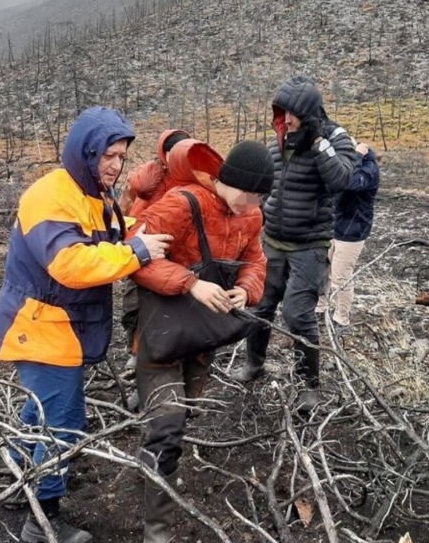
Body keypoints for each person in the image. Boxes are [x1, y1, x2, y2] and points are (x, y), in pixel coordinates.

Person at [0, 107, 172, 543]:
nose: (115, 165)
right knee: (65, 421)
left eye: (122, 156)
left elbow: (108, 232)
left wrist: (149, 230)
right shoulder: (49, 195)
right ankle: (42, 519)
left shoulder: (93, 191)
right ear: (85, 151)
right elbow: (68, 263)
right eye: (108, 155)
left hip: (58, 327)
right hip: (41, 329)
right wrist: (139, 253)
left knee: (41, 406)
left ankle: (16, 477)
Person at [129, 140, 274, 543]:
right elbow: (133, 256)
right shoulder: (182, 203)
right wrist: (190, 283)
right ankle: (156, 532)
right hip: (162, 333)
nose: (256, 202)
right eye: (254, 192)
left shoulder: (252, 217)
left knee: (182, 412)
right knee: (167, 426)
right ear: (233, 181)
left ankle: (152, 458)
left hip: (201, 337)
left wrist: (246, 289)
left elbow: (256, 262)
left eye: (262, 196)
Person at [231, 75, 357, 413]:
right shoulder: (279, 141)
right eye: (281, 112)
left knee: (297, 315)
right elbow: (265, 189)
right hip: (272, 239)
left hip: (309, 245)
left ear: (309, 114)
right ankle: (253, 364)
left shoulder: (335, 139)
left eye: (292, 113)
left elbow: (341, 180)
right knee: (260, 305)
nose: (285, 119)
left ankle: (309, 387)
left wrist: (317, 141)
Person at [119, 129, 189, 372]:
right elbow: (137, 187)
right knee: (132, 305)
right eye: (171, 154)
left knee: (162, 307)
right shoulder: (151, 174)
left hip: (168, 251)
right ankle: (135, 350)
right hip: (137, 245)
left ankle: (156, 356)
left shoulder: (190, 178)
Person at [315, 143, 380, 328]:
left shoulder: (369, 168)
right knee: (323, 269)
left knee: (340, 276)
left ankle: (341, 318)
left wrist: (357, 157)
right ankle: (320, 307)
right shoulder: (344, 164)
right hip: (334, 225)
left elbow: (349, 183)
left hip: (354, 229)